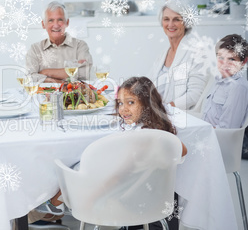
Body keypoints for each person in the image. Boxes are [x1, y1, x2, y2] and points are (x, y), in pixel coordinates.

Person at [31, 76, 187, 228]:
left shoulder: (141, 140)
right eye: (120, 103)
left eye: (130, 103)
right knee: (92, 163)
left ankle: (52, 204)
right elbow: (182, 151)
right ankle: (53, 204)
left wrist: (91, 199)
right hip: (154, 198)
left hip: (126, 200)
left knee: (73, 165)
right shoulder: (158, 131)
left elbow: (118, 176)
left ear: (148, 105)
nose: (123, 109)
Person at [148, 0, 216, 111]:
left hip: (179, 115)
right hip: (157, 112)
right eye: (166, 19)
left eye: (176, 19)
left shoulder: (197, 52)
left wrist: (164, 108)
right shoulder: (164, 53)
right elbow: (147, 83)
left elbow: (194, 95)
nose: (170, 24)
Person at [25, 1, 93, 83]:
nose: (56, 25)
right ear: (43, 24)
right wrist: (61, 81)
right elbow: (30, 78)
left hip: (73, 95)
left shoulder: (80, 46)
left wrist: (46, 72)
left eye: (60, 20)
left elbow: (84, 73)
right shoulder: (35, 49)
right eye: (51, 20)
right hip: (43, 95)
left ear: (67, 23)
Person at [202, 34, 248, 128]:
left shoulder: (238, 87)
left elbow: (227, 129)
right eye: (221, 57)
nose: (224, 64)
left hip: (217, 139)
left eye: (232, 59)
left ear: (243, 61)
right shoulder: (219, 79)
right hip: (205, 132)